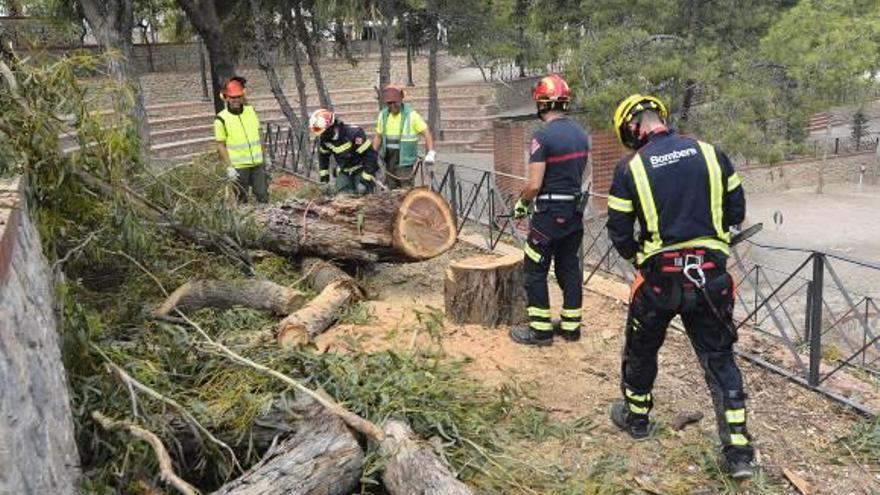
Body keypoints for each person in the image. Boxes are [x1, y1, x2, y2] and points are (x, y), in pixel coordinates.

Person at [605, 94, 754, 479]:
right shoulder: (710, 152)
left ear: (632, 129)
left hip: (659, 280)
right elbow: (736, 211)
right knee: (719, 358)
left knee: (641, 348)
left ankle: (637, 418)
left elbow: (619, 233)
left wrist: (641, 258)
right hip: (711, 278)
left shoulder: (630, 167)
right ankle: (738, 450)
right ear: (661, 119)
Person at [508, 74, 589, 347]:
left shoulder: (541, 137)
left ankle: (540, 331)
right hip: (574, 213)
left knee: (535, 269)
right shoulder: (581, 134)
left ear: (541, 103)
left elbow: (534, 184)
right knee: (568, 268)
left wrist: (521, 204)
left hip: (548, 215)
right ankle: (571, 327)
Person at [214, 76, 268, 203]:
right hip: (239, 167)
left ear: (243, 96)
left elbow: (259, 133)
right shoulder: (221, 118)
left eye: (238, 96)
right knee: (241, 198)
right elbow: (220, 144)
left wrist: (265, 156)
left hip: (257, 163)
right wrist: (229, 167)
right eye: (233, 97)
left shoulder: (251, 111)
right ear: (226, 97)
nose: (236, 100)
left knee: (263, 195)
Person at [372, 84, 435, 189]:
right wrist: (372, 155)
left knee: (405, 190)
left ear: (401, 100)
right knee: (390, 190)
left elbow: (426, 133)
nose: (392, 105)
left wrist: (431, 152)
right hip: (388, 161)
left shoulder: (411, 115)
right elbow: (378, 136)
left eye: (394, 102)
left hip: (405, 161)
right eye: (389, 103)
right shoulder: (383, 115)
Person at [309, 108, 379, 195]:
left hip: (362, 169)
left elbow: (371, 156)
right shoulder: (325, 141)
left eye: (323, 132)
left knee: (364, 195)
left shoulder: (354, 134)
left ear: (331, 127)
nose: (322, 135)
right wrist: (324, 181)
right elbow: (323, 160)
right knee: (343, 196)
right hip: (344, 171)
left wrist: (365, 181)